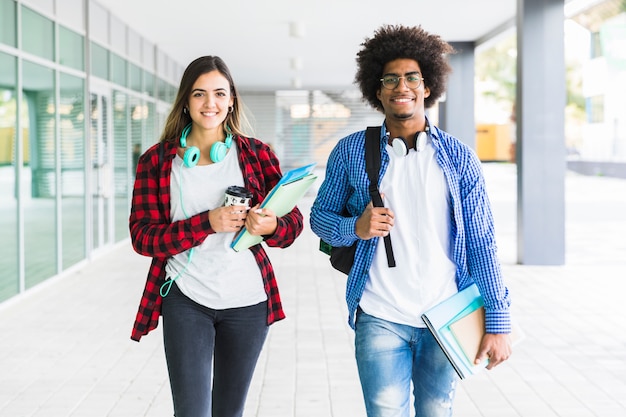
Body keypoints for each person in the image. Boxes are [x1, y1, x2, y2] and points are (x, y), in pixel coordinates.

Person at [310, 25, 512, 417]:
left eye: (412, 77)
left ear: (427, 85)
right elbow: (319, 218)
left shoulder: (459, 158)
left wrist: (498, 320)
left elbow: (482, 242)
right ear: (377, 89)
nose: (401, 86)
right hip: (380, 315)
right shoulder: (351, 151)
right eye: (390, 79)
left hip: (445, 314)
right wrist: (356, 227)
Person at [129, 55, 303, 417]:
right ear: (186, 101)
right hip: (186, 298)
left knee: (229, 411)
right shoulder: (158, 162)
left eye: (219, 94)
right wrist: (206, 222)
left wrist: (269, 225)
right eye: (199, 94)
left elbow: (293, 223)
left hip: (248, 301)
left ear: (232, 99)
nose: (210, 104)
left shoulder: (256, 155)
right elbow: (143, 237)